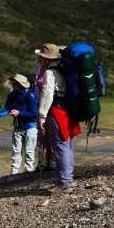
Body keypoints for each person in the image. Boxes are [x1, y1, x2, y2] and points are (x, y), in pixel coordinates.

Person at [37, 43, 80, 192]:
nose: (39, 58)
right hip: (68, 111)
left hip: (56, 112)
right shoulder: (65, 69)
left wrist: (42, 116)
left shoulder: (50, 72)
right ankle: (68, 178)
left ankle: (64, 182)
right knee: (67, 146)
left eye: (41, 56)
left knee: (60, 147)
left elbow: (47, 95)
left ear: (46, 58)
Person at [2, 74, 39, 175]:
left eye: (14, 83)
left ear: (20, 84)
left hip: (31, 126)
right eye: (12, 82)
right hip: (18, 126)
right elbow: (7, 109)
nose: (12, 84)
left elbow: (35, 114)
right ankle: (14, 173)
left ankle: (28, 172)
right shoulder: (13, 94)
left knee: (29, 151)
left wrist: (19, 113)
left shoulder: (31, 96)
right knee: (16, 150)